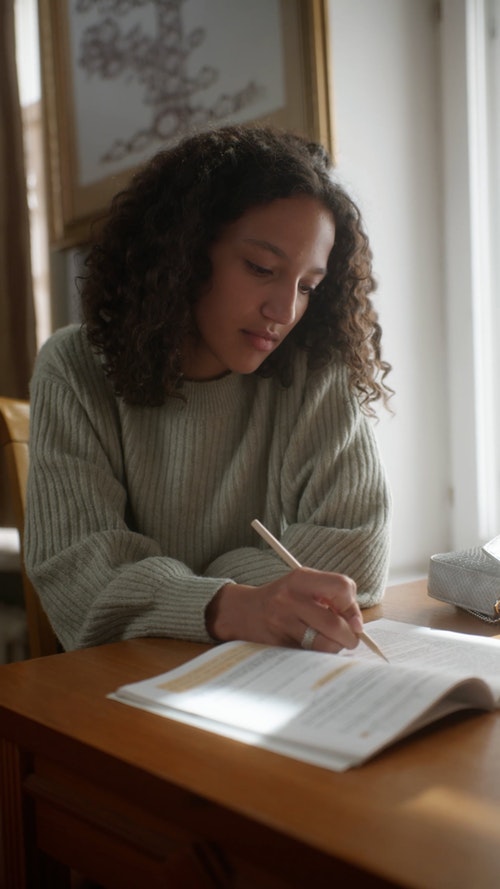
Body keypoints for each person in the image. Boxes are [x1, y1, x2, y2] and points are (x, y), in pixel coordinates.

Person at [25, 124, 393, 655]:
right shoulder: (75, 369)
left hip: (269, 677)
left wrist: (198, 587)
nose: (285, 312)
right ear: (185, 253)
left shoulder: (313, 371)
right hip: (125, 685)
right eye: (261, 268)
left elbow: (355, 556)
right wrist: (235, 602)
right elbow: (77, 576)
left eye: (308, 287)